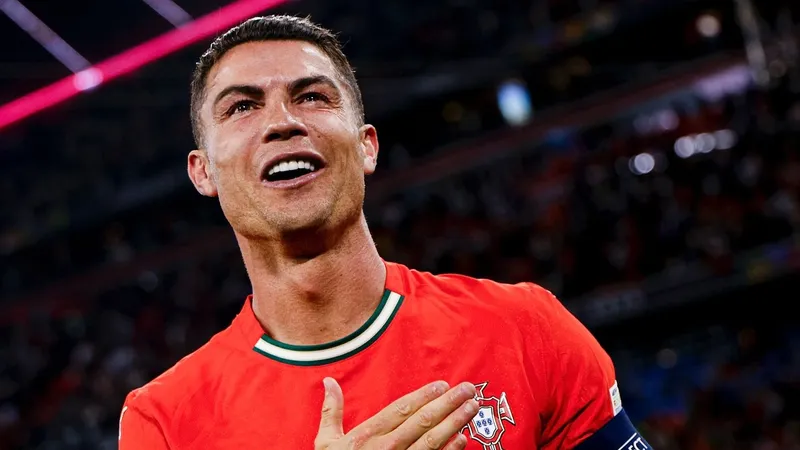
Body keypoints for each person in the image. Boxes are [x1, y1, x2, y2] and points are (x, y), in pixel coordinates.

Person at [119, 15, 652, 450]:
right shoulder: (164, 422)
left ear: (367, 146)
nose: (281, 122)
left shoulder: (526, 329)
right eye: (242, 107)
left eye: (312, 96)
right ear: (203, 173)